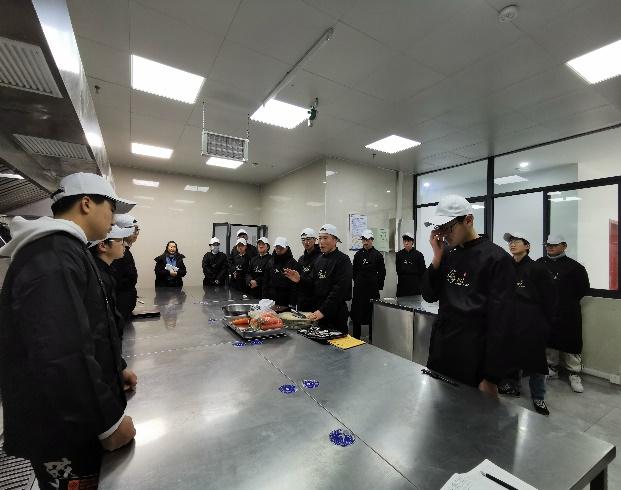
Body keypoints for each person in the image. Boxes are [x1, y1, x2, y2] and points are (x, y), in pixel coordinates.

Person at [0, 172, 136, 489]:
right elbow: (62, 352)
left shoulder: (68, 250)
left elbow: (91, 329)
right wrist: (109, 425)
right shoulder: (53, 255)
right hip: (62, 429)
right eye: (111, 208)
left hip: (76, 419)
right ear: (87, 204)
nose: (113, 219)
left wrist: (115, 370)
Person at [421, 195, 516, 394]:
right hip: (442, 348)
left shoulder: (497, 259)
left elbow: (502, 323)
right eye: (440, 229)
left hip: (473, 355)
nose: (444, 234)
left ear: (468, 220)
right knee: (437, 406)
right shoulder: (448, 253)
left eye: (448, 228)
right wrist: (437, 257)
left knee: (470, 411)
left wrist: (491, 377)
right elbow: (429, 295)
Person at [499, 232, 556, 415]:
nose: (512, 244)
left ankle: (538, 396)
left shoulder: (537, 269)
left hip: (532, 321)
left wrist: (545, 324)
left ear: (527, 246)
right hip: (510, 319)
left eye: (517, 241)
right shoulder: (506, 267)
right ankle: (511, 385)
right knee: (509, 355)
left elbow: (550, 299)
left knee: (536, 361)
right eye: (510, 242)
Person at [537, 234, 590, 393]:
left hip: (568, 311)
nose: (550, 247)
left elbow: (583, 289)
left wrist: (566, 302)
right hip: (547, 310)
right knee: (550, 341)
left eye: (554, 245)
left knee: (571, 341)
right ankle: (552, 368)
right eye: (548, 245)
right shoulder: (539, 263)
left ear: (564, 246)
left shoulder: (575, 267)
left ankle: (574, 373)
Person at [89, 225, 139, 392]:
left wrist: (120, 368)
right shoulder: (96, 278)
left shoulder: (104, 272)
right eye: (120, 241)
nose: (124, 245)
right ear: (103, 245)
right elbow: (101, 333)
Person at [284, 224, 352, 334]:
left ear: (335, 240)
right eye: (320, 238)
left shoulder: (343, 260)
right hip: (318, 312)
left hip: (335, 313)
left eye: (325, 238)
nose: (321, 242)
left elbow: (340, 290)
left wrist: (323, 311)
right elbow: (312, 284)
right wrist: (300, 280)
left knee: (336, 344)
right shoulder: (319, 260)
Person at [351, 229, 385, 341]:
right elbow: (354, 271)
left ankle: (372, 339)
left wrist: (377, 286)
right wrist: (358, 282)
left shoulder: (378, 255)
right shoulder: (358, 255)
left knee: (372, 315)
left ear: (372, 240)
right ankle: (355, 339)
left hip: (372, 291)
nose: (365, 242)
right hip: (359, 290)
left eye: (367, 240)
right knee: (357, 315)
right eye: (363, 240)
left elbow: (382, 273)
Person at [111, 214, 139, 320]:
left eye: (138, 230)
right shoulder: (117, 252)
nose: (136, 233)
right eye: (134, 229)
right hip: (119, 306)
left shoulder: (125, 251)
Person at [264, 237, 298, 306]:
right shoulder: (271, 261)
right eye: (277, 247)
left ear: (287, 248)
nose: (279, 249)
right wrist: (264, 297)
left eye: (281, 247)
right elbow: (265, 281)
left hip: (286, 300)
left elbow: (294, 286)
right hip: (270, 299)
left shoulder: (293, 263)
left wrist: (292, 303)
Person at [296, 227, 321, 312]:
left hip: (315, 299)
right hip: (302, 299)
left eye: (308, 239)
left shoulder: (320, 257)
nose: (306, 242)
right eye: (303, 240)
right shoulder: (301, 259)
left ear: (315, 240)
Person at [396, 232, 426, 296]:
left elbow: (423, 271)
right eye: (404, 241)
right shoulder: (399, 254)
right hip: (402, 286)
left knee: (415, 302)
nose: (406, 243)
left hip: (415, 286)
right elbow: (398, 270)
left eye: (408, 241)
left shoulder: (419, 255)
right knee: (401, 301)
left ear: (412, 242)